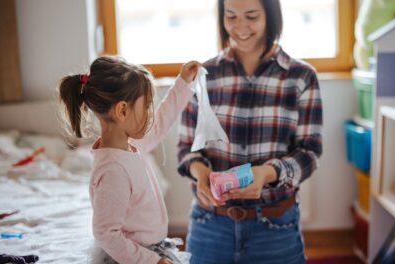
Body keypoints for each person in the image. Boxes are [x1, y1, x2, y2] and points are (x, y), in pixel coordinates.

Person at [177, 0, 323, 263]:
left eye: (251, 16)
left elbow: (310, 153)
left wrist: (267, 173)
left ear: (271, 16)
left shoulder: (301, 77)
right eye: (231, 17)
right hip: (210, 223)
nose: (240, 27)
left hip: (275, 226)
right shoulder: (205, 76)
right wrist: (202, 175)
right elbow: (187, 148)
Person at [59, 56, 200, 264]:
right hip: (135, 257)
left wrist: (183, 82)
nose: (151, 115)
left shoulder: (131, 143)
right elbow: (106, 233)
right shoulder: (113, 171)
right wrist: (154, 261)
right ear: (122, 111)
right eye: (147, 107)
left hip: (152, 249)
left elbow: (161, 120)